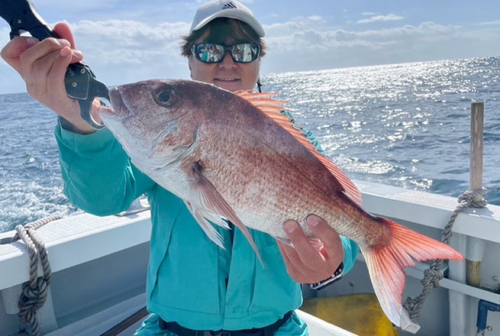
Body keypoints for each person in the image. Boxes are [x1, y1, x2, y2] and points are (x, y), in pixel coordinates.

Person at [1, 0, 359, 335]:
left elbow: (343, 211)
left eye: (245, 50)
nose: (228, 62)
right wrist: (78, 123)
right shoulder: (161, 134)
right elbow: (104, 198)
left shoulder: (293, 138)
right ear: (190, 61)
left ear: (258, 61)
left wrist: (335, 261)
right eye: (210, 49)